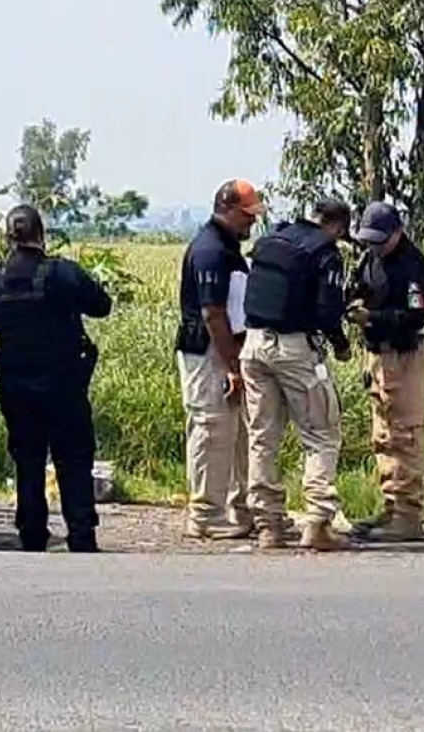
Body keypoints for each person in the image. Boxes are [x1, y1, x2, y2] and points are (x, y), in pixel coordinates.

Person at [0, 204, 111, 552]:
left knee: (28, 459)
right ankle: (81, 533)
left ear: (8, 237)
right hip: (63, 385)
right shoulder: (62, 273)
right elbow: (102, 305)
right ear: (42, 234)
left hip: (16, 386)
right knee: (74, 458)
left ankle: (32, 533)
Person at [240, 199, 354, 550]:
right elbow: (328, 312)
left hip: (253, 344)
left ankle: (268, 525)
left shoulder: (271, 239)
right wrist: (341, 345)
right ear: (337, 226)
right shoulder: (325, 252)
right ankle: (317, 522)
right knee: (321, 434)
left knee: (262, 437)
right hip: (295, 349)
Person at [174, 179, 263, 540]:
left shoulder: (227, 248)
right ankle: (204, 515)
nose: (252, 222)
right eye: (247, 215)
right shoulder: (211, 250)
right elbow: (213, 314)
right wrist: (232, 365)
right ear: (227, 209)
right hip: (209, 351)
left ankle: (239, 509)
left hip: (227, 348)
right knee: (211, 430)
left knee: (235, 432)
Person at [345, 202, 424, 542]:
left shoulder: (413, 265)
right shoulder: (369, 258)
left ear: (398, 232)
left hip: (403, 356)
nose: (375, 246)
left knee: (405, 435)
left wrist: (374, 318)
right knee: (383, 435)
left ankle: (408, 515)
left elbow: (416, 316)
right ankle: (392, 505)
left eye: (380, 240)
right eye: (370, 240)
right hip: (377, 356)